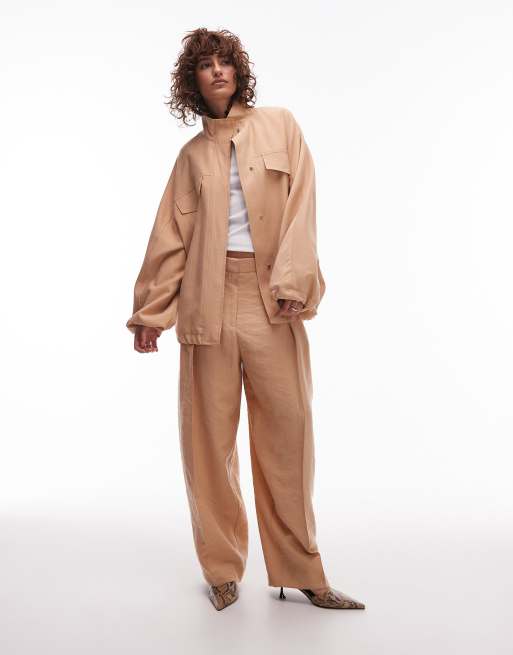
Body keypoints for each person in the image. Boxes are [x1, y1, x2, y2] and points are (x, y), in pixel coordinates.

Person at [126, 27, 366, 612]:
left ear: (238, 70)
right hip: (205, 300)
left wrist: (294, 283)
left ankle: (301, 572)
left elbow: (303, 206)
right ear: (192, 81)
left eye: (224, 61)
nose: (217, 71)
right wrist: (151, 312)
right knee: (208, 443)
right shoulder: (191, 157)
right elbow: (171, 237)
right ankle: (222, 569)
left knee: (289, 432)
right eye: (204, 65)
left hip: (270, 298)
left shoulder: (280, 125)